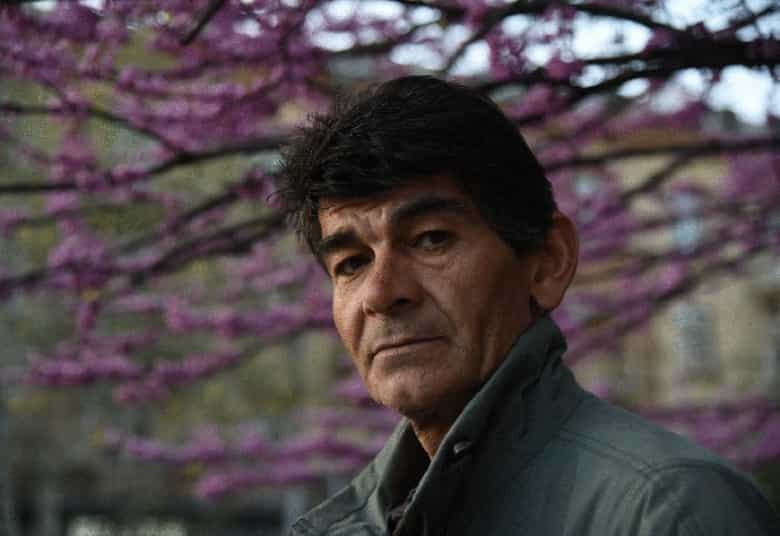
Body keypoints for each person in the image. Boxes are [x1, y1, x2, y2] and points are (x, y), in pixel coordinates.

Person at [278, 76, 779, 535]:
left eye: (432, 239)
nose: (382, 294)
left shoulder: (670, 512)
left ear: (547, 263)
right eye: (351, 263)